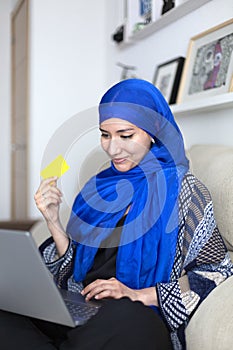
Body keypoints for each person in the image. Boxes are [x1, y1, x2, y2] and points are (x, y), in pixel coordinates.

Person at [0, 78, 232, 350]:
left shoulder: (184, 190)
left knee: (122, 318)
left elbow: (216, 270)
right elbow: (73, 269)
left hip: (133, 316)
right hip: (81, 307)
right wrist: (53, 220)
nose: (112, 148)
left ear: (154, 130)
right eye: (105, 135)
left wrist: (135, 294)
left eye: (126, 135)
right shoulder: (99, 186)